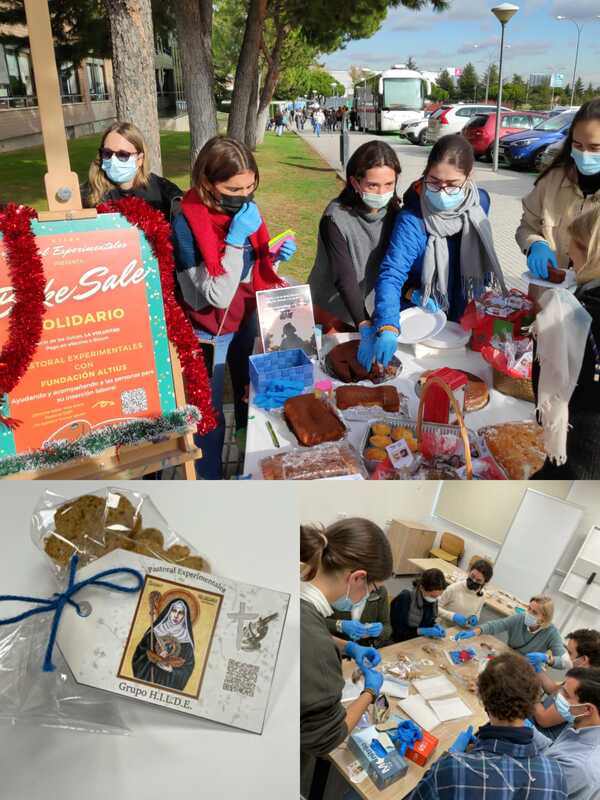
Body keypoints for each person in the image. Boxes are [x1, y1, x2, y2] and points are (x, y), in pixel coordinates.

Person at [172, 135, 296, 479]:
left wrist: (270, 255)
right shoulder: (186, 223)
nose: (244, 198)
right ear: (207, 184)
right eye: (234, 189)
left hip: (245, 320)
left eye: (250, 187)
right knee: (208, 416)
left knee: (249, 399)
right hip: (206, 330)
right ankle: (209, 479)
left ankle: (246, 464)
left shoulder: (237, 210)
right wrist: (236, 239)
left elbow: (244, 271)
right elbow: (217, 294)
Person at [363, 134, 506, 371]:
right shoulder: (413, 219)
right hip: (422, 317)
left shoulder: (479, 203)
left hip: (464, 315)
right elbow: (391, 274)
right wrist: (388, 325)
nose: (441, 191)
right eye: (434, 181)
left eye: (452, 184)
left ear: (469, 178)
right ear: (425, 173)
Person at [300, 518, 393, 799]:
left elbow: (306, 633)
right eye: (373, 588)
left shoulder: (297, 591)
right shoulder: (313, 642)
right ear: (357, 578)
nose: (371, 595)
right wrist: (369, 691)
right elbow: (328, 737)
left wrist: (347, 647)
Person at [407, 653, 568, 800]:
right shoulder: (556, 773)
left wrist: (450, 755)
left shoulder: (453, 768)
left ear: (483, 699)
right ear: (533, 700)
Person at [531, 206, 600, 479]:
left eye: (573, 255)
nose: (569, 259)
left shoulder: (570, 314)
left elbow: (544, 402)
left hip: (579, 459)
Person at [308, 140, 401, 338]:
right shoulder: (335, 218)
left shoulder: (394, 211)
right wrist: (363, 322)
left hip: (372, 305)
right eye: (373, 185)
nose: (382, 192)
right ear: (355, 182)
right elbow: (344, 277)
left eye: (389, 184)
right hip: (333, 309)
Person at [516, 99, 600, 279]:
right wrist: (535, 244)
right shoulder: (552, 180)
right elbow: (526, 227)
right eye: (577, 145)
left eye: (595, 148)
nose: (584, 154)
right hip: (548, 290)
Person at [81, 121, 182, 220]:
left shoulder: (164, 192)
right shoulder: (88, 194)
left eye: (123, 155)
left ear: (140, 159)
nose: (113, 160)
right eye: (107, 153)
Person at [532, 667, 600, 800]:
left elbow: (530, 789)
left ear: (587, 709)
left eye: (566, 695)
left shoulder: (578, 767)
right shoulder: (580, 724)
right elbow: (555, 750)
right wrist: (527, 730)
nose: (558, 696)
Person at [455, 595, 570, 669]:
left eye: (534, 612)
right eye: (529, 608)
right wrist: (475, 632)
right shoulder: (520, 618)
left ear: (544, 618)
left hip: (528, 669)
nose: (529, 613)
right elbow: (496, 625)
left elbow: (566, 662)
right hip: (509, 660)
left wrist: (547, 659)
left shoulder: (551, 632)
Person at [534, 629, 600, 740]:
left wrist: (529, 695)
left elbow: (544, 719)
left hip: (541, 736)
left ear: (583, 659)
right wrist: (537, 670)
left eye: (569, 653)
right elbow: (554, 690)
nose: (565, 656)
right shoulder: (580, 674)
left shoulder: (585, 686)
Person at [132, 599, 195, 691]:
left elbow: (188, 668)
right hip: (151, 679)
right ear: (169, 612)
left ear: (184, 616)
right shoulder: (154, 632)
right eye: (174, 611)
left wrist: (171, 670)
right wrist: (153, 658)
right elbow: (139, 655)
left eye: (180, 613)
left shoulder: (186, 641)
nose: (176, 615)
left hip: (168, 684)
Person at [325, 584, 392, 649]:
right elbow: (317, 623)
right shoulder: (332, 590)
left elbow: (387, 627)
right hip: (338, 651)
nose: (374, 589)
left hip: (368, 649)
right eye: (371, 583)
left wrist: (381, 631)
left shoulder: (379, 590)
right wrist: (339, 625)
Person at [390, 568, 447, 643]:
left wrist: (435, 626)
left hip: (420, 641)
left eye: (438, 596)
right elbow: (398, 631)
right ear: (422, 588)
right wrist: (421, 631)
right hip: (400, 642)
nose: (435, 599)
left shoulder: (433, 600)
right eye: (432, 596)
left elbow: (429, 621)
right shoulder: (405, 598)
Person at [437, 559, 493, 628]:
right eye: (472, 576)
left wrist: (475, 617)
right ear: (469, 572)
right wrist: (452, 616)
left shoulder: (482, 594)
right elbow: (434, 608)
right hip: (444, 629)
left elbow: (477, 613)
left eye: (478, 580)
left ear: (484, 582)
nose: (474, 580)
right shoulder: (454, 588)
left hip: (462, 631)